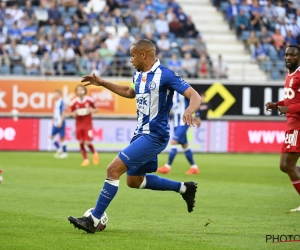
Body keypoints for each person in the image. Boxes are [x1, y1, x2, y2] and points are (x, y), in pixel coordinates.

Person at [68, 39, 201, 233]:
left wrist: (190, 110)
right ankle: (184, 188)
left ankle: (93, 219)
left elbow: (194, 95)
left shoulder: (166, 75)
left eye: (132, 55)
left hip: (155, 135)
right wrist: (102, 82)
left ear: (143, 55)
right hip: (140, 134)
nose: (130, 60)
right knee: (134, 181)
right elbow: (130, 92)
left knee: (113, 169)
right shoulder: (139, 75)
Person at [265, 45, 300, 212]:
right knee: (284, 166)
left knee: (289, 165)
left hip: (298, 125)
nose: (288, 58)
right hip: (292, 124)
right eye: (286, 55)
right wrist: (276, 104)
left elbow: (293, 106)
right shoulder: (289, 75)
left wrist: (289, 110)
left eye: (292, 55)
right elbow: (290, 99)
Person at [157, 91, 200, 175]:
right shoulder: (170, 92)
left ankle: (167, 166)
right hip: (176, 122)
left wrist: (197, 115)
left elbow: (194, 99)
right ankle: (194, 167)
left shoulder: (183, 90)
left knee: (174, 141)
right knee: (185, 145)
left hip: (184, 121)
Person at [70, 85, 99, 167]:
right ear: (76, 92)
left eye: (81, 90)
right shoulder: (74, 102)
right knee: (81, 142)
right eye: (78, 90)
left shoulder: (89, 100)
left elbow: (96, 109)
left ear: (84, 91)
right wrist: (74, 114)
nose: (80, 91)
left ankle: (94, 153)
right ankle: (86, 160)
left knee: (87, 142)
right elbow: (71, 112)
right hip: (78, 124)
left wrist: (92, 110)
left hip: (87, 124)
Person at [50, 90, 68, 158]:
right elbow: (55, 113)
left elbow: (63, 112)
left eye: (57, 94)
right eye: (54, 94)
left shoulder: (62, 102)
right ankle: (59, 149)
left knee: (62, 137)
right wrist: (53, 121)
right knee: (51, 136)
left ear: (60, 95)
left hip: (61, 122)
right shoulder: (55, 102)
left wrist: (61, 121)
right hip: (55, 122)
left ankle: (65, 152)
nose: (55, 95)